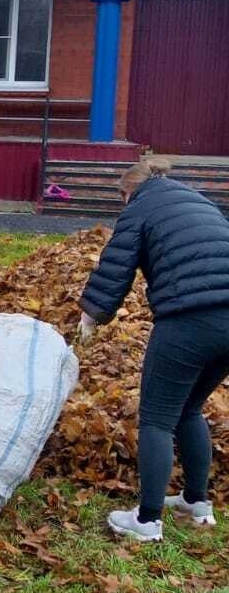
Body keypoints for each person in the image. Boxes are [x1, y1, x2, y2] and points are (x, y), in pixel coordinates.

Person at [79, 156, 229, 541]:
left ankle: (146, 521)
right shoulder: (198, 201)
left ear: (128, 192)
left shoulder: (140, 206)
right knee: (190, 409)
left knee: (157, 419)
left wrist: (92, 315)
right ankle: (197, 502)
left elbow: (116, 265)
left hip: (189, 319)